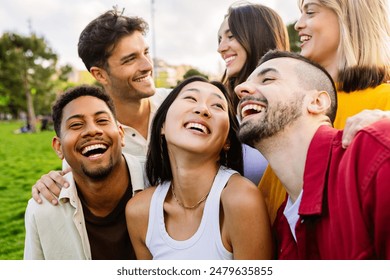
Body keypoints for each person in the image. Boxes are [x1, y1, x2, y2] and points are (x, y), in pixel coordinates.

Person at [235, 49, 390, 259]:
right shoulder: (281, 228)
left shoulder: (373, 152)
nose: (240, 88)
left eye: (268, 79)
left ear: (317, 102)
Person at [259, 0, 390, 224]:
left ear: (348, 18)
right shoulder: (292, 105)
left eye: (310, 12)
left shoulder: (384, 101)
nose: (298, 24)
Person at [31, 8, 170, 205]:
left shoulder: (179, 105)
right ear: (100, 75)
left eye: (146, 53)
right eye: (130, 59)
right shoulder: (93, 141)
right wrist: (48, 184)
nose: (147, 65)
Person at [126, 76, 272, 260]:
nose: (203, 109)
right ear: (162, 124)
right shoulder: (139, 210)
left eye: (217, 106)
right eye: (190, 98)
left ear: (227, 141)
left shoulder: (240, 199)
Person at [24, 85, 145, 259]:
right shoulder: (42, 210)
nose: (92, 130)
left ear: (121, 134)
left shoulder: (160, 181)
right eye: (76, 125)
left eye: (102, 120)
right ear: (59, 147)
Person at [217, 1, 290, 185]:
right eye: (219, 40)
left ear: (258, 35)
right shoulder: (224, 107)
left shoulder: (296, 100)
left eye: (231, 36)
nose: (221, 48)